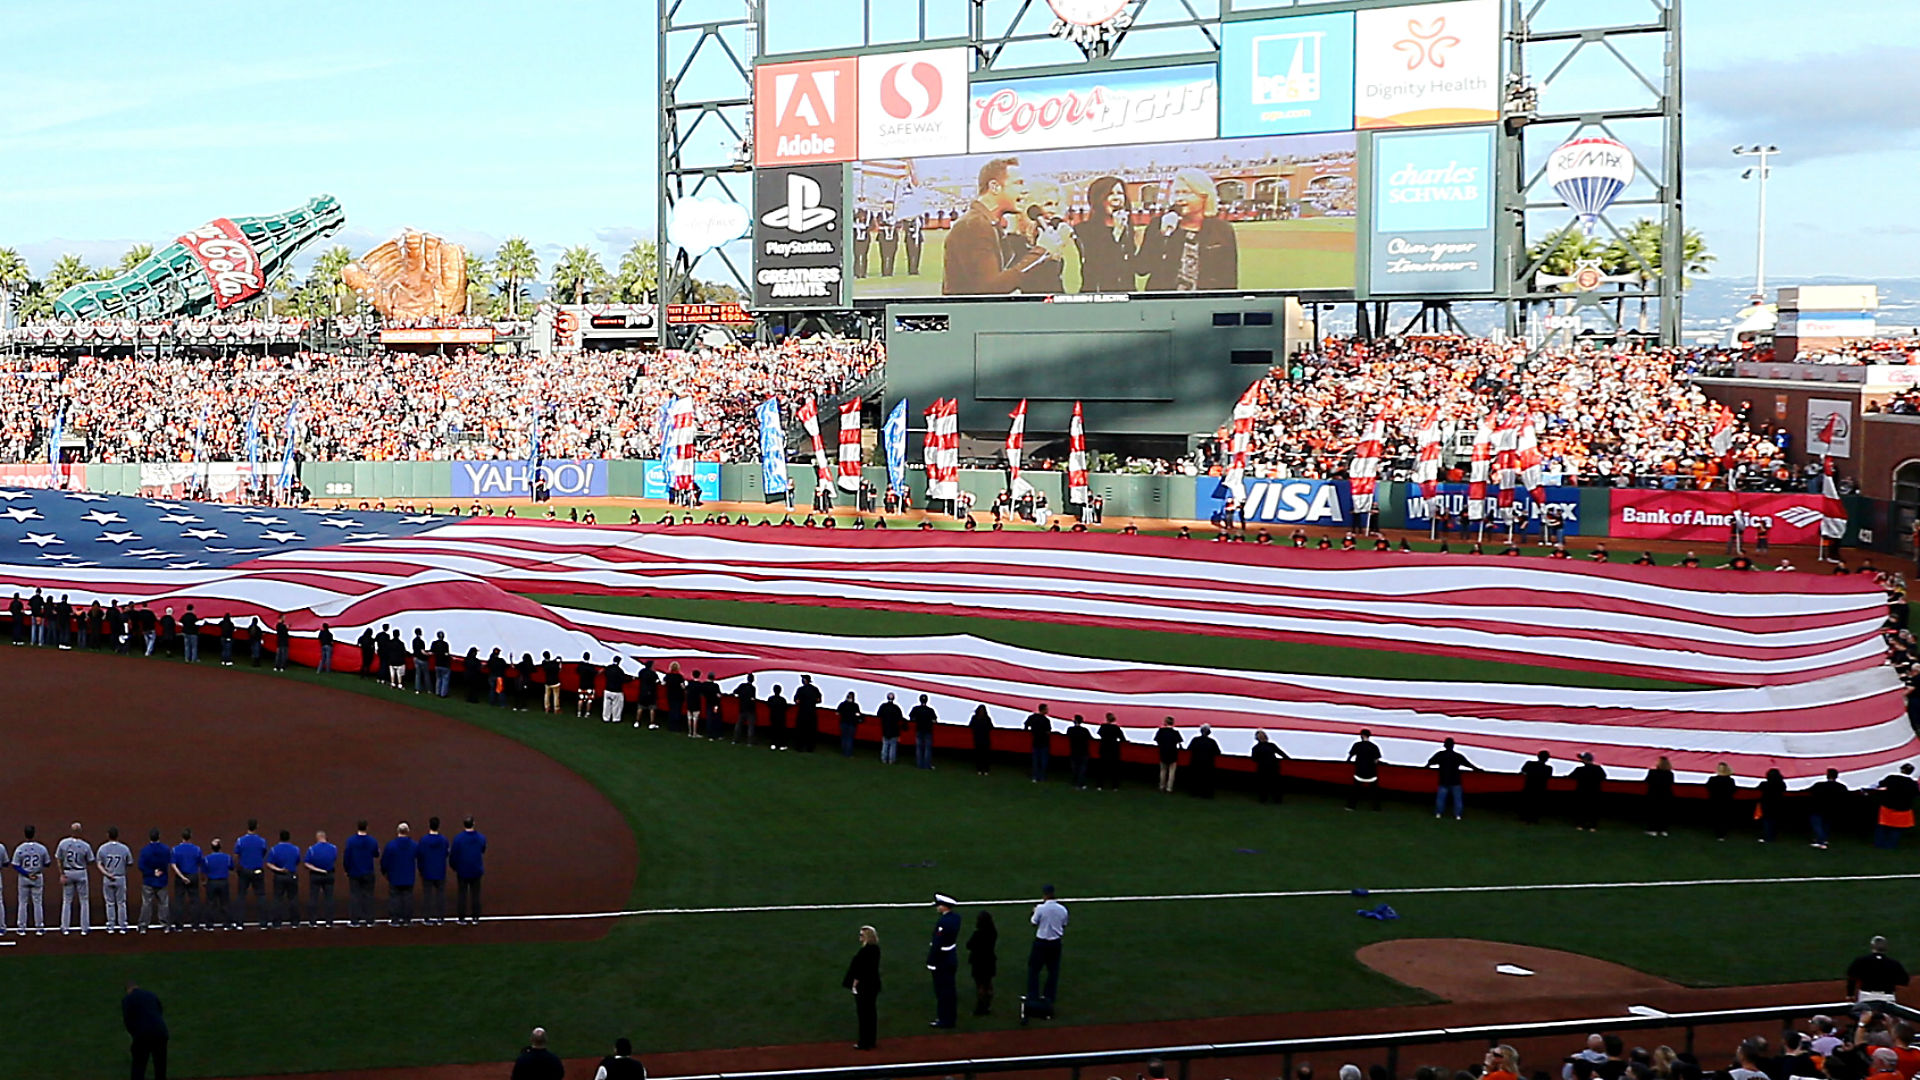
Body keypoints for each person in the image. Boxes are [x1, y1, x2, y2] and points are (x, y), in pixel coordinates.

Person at [940, 157, 1065, 295]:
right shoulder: (975, 225)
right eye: (1018, 183)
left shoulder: (986, 223)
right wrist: (1042, 250)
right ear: (994, 187)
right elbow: (990, 289)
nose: (1025, 190)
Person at [1136, 168, 1237, 292]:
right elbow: (1141, 268)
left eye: (1186, 192)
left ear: (1204, 196)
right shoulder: (1158, 224)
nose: (1179, 198)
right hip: (1164, 305)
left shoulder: (1222, 230)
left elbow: (1229, 279)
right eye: (1176, 193)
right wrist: (1161, 235)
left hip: (1204, 304)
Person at [1074, 175, 1138, 293]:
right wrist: (1116, 234)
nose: (1116, 198)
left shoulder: (1127, 229)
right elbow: (1099, 266)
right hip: (1097, 294)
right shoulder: (1084, 230)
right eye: (1110, 193)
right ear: (1099, 199)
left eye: (1119, 193)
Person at [1027, 884, 1068, 1012]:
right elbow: (1064, 924)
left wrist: (1035, 912)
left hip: (1041, 943)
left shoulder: (1040, 908)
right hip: (1055, 944)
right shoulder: (1063, 909)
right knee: (1053, 971)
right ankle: (1049, 997)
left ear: (1044, 894)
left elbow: (1033, 922)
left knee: (1034, 970)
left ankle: (1033, 995)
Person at [844, 926, 883, 1050]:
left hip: (865, 986)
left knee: (864, 1014)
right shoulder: (875, 949)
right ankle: (870, 1040)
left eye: (862, 935)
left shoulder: (866, 951)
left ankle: (864, 1042)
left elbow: (861, 969)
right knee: (870, 1013)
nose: (859, 937)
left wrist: (855, 983)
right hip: (872, 985)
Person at [1424, 737, 1480, 820]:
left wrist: (1426, 767)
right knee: (1457, 799)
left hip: (1443, 780)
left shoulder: (1440, 755)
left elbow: (1430, 762)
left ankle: (1439, 813)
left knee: (1441, 799)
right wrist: (1478, 769)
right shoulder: (1457, 756)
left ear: (1445, 745)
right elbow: (1469, 764)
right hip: (1456, 781)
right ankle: (1458, 815)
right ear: (1453, 746)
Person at [927, 893, 961, 1027]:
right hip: (951, 957)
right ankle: (950, 1017)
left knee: (942, 991)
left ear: (944, 907)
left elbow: (937, 943)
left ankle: (944, 1019)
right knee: (950, 989)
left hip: (942, 960)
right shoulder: (956, 918)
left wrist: (931, 962)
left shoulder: (943, 922)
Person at [54, 821, 94, 935]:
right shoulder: (86, 845)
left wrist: (61, 874)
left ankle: (65, 927)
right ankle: (84, 928)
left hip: (68, 872)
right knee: (84, 901)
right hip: (81, 873)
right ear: (80, 832)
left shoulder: (63, 843)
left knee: (67, 900)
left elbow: (58, 859)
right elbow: (90, 860)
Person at [123, 982, 169, 1080]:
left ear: (128, 990)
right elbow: (159, 1011)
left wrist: (134, 1035)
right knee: (160, 1063)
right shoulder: (151, 995)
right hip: (160, 1032)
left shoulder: (128, 999)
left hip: (142, 1034)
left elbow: (128, 1020)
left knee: (139, 1064)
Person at [1848, 935, 1910, 1007]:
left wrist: (1850, 994)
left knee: (1865, 1015)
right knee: (1889, 1016)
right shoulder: (1893, 963)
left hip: (1866, 996)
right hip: (1887, 996)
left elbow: (1852, 977)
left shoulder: (1861, 961)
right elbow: (1904, 980)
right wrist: (1888, 980)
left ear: (1872, 946)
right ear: (1886, 947)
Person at [1871, 764, 1919, 849]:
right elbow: (1916, 794)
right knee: (1896, 829)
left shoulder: (1891, 778)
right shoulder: (1912, 783)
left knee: (1882, 826)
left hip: (1887, 806)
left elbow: (1879, 784)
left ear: (1901, 769)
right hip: (1903, 809)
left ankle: (1878, 844)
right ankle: (1890, 845)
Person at [343, 821, 380, 927]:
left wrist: (347, 869)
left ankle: (355, 920)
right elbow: (376, 854)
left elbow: (347, 856)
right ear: (367, 828)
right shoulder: (372, 841)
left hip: (354, 872)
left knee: (355, 896)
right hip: (368, 871)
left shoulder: (351, 841)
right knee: (368, 896)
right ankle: (369, 920)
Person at [451, 816, 487, 924]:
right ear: (473, 824)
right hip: (476, 869)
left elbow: (454, 855)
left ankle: (462, 917)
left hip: (462, 870)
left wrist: (455, 867)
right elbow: (483, 849)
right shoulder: (481, 837)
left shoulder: (458, 838)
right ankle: (475, 917)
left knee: (462, 894)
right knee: (475, 894)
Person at [97, 825, 132, 935]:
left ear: (108, 835)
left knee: (110, 903)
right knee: (121, 902)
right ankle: (122, 926)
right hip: (120, 877)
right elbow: (129, 863)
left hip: (108, 878)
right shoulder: (124, 848)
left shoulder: (102, 848)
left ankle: (111, 925)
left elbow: (99, 864)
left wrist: (107, 874)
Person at [382, 822, 418, 926]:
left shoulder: (391, 845)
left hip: (394, 876)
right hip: (408, 876)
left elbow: (385, 861)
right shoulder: (414, 845)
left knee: (394, 898)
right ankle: (407, 919)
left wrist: (385, 871)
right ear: (408, 832)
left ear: (398, 831)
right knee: (408, 898)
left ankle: (395, 919)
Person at [234, 820, 268, 928]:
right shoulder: (262, 841)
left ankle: (239, 923)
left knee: (241, 896)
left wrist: (238, 868)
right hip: (257, 870)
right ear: (257, 827)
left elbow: (236, 855)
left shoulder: (240, 841)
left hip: (244, 870)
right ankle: (263, 922)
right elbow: (263, 852)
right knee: (261, 896)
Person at [416, 817, 450, 925]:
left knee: (427, 895)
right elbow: (446, 853)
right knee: (440, 894)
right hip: (440, 871)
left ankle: (427, 917)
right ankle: (440, 917)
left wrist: (421, 869)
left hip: (427, 871)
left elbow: (420, 856)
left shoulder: (424, 840)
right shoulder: (443, 840)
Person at [137, 828, 171, 933]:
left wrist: (152, 873)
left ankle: (143, 926)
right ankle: (165, 925)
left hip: (148, 880)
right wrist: (159, 871)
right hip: (162, 880)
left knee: (146, 903)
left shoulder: (145, 850)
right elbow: (168, 862)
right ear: (159, 836)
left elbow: (141, 866)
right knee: (163, 903)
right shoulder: (166, 849)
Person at [169, 828, 203, 931]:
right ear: (190, 837)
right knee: (195, 900)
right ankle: (195, 925)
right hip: (193, 876)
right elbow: (201, 864)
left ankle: (179, 925)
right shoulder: (197, 849)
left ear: (182, 837)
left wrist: (182, 877)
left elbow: (173, 865)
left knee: (179, 901)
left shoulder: (175, 849)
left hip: (181, 877)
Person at [267, 830, 302, 928]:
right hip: (292, 875)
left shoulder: (274, 849)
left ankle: (277, 922)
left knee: (278, 899)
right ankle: (295, 922)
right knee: (293, 898)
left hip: (279, 876)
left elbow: (269, 864)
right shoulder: (295, 849)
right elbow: (297, 861)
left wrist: (279, 869)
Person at [1810, 767, 1850, 850]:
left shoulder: (1819, 785)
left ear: (1827, 775)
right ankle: (1823, 839)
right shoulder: (1841, 787)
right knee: (1826, 825)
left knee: (1817, 824)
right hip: (1832, 809)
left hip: (1819, 807)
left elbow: (1810, 792)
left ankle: (1820, 841)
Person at [305, 830, 338, 928]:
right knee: (329, 898)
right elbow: (334, 859)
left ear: (317, 837)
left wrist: (317, 869)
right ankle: (329, 921)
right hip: (329, 874)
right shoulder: (333, 848)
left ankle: (313, 921)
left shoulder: (312, 849)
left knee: (313, 898)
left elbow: (306, 863)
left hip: (315, 875)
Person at [968, 911, 998, 1016]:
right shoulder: (993, 932)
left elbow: (969, 945)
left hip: (979, 962)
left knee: (980, 985)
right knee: (988, 984)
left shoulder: (978, 934)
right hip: (990, 961)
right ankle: (988, 1005)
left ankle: (981, 1008)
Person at [1345, 729, 1383, 811]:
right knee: (1374, 792)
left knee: (1355, 791)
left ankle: (1351, 806)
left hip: (1359, 771)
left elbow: (1350, 757)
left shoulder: (1357, 745)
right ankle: (1376, 808)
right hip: (1371, 772)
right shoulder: (1374, 746)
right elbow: (1376, 760)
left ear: (1362, 735)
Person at [1570, 753, 1606, 831]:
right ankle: (1593, 826)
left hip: (1582, 792)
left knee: (1581, 808)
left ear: (1585, 760)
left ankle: (1580, 825)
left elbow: (1571, 776)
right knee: (1593, 809)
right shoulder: (1598, 768)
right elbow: (1603, 777)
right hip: (1595, 792)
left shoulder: (1579, 769)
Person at [1252, 730, 1290, 804]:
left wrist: (1288, 759)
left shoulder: (1271, 745)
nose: (1262, 737)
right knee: (1263, 784)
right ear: (1257, 738)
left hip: (1273, 767)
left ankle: (1277, 800)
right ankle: (1263, 799)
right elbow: (1254, 758)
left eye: (1263, 735)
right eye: (1260, 736)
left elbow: (1280, 752)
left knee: (1276, 784)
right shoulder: (1256, 748)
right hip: (1263, 768)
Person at [1643, 756, 1676, 836]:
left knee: (1653, 812)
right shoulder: (1670, 774)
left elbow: (1647, 781)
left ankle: (1652, 829)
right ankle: (1663, 830)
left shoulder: (1652, 772)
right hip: (1666, 795)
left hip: (1654, 794)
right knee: (1664, 813)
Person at [1520, 750, 1553, 824]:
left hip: (1529, 786)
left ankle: (1525, 818)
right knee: (1537, 804)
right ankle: (1534, 819)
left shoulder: (1529, 764)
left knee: (1527, 803)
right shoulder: (1548, 768)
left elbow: (1523, 771)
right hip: (1540, 788)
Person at [1706, 762, 1738, 840]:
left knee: (1716, 817)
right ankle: (1723, 834)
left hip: (1715, 801)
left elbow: (1708, 788)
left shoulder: (1712, 779)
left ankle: (1718, 833)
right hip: (1726, 801)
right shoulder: (1730, 780)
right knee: (1725, 818)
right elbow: (1733, 790)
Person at [1187, 725, 1220, 798]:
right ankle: (1206, 794)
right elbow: (1218, 752)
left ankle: (1195, 793)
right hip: (1208, 764)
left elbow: (1189, 749)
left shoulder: (1195, 740)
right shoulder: (1212, 742)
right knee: (1207, 779)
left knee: (1196, 778)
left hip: (1196, 762)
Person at [1757, 767, 1789, 843]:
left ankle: (1767, 837)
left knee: (1767, 821)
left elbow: (1758, 789)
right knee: (1775, 821)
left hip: (1766, 804)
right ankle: (1773, 836)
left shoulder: (1764, 784)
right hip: (1778, 804)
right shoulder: (1782, 784)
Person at [1096, 713, 1126, 790]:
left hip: (1104, 748)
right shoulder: (1116, 728)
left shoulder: (1103, 727)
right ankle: (1115, 786)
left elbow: (1099, 734)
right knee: (1114, 769)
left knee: (1102, 768)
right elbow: (1122, 739)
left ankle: (1100, 785)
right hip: (1114, 750)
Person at [793, 674, 822, 752]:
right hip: (811, 712)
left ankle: (800, 746)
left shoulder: (801, 689)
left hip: (803, 712)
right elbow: (819, 700)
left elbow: (796, 700)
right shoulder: (815, 689)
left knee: (801, 730)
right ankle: (810, 747)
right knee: (811, 731)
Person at [1025, 703, 1053, 782]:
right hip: (1044, 742)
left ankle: (1035, 776)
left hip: (1035, 741)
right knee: (1043, 761)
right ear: (1043, 710)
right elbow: (1048, 731)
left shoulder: (1033, 717)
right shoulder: (1046, 720)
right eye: (1047, 709)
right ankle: (1042, 777)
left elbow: (1026, 724)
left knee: (1036, 760)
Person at [1154, 718, 1183, 793]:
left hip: (1163, 752)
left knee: (1163, 770)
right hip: (1173, 753)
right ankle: (1169, 788)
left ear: (1165, 722)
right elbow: (1180, 742)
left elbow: (1157, 740)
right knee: (1171, 772)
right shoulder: (1175, 732)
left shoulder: (1161, 731)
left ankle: (1161, 786)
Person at [910, 694, 938, 769]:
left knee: (919, 748)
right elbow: (935, 720)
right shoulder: (930, 710)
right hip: (928, 730)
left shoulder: (916, 709)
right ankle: (927, 765)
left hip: (919, 730)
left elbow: (911, 718)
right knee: (927, 749)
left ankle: (919, 764)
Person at [876, 692, 904, 763]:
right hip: (894, 729)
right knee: (893, 746)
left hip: (885, 728)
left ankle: (884, 759)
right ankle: (892, 760)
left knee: (885, 744)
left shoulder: (883, 706)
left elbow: (878, 715)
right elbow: (900, 718)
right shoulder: (896, 708)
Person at [1066, 715, 1092, 789]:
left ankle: (1075, 782)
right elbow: (1090, 738)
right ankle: (1080, 783)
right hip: (1083, 751)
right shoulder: (1085, 730)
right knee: (1082, 768)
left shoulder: (1070, 729)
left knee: (1075, 768)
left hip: (1074, 751)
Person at [970, 705, 995, 774]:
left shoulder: (987, 718)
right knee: (978, 755)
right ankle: (979, 769)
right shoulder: (974, 718)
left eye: (983, 710)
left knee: (986, 755)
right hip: (977, 739)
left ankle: (986, 769)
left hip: (985, 739)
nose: (981, 712)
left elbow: (991, 727)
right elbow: (971, 726)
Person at [837, 692, 863, 758]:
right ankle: (848, 753)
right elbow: (858, 714)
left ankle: (843, 752)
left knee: (844, 738)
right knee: (850, 739)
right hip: (852, 723)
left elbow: (837, 712)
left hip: (843, 722)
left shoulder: (843, 704)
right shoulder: (855, 705)